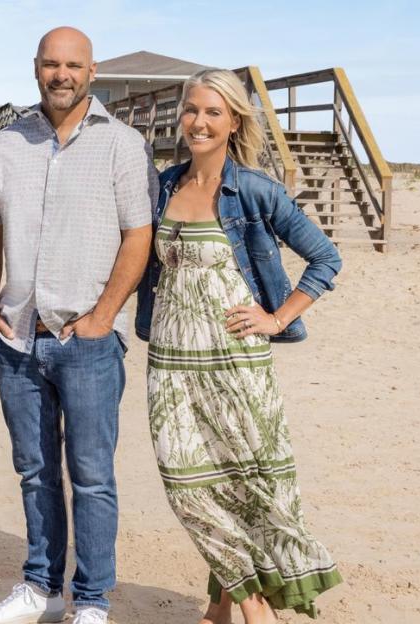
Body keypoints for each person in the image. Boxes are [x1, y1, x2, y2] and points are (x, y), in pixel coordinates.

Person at [135, 68, 344, 623]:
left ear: (233, 122)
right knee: (187, 485)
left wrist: (277, 319)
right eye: (192, 110)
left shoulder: (254, 190)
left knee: (242, 487)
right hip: (171, 365)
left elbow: (326, 260)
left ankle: (227, 610)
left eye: (212, 112)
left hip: (236, 365)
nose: (198, 122)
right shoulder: (162, 186)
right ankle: (246, 607)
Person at [0, 26, 156, 624]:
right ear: (35, 68)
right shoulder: (5, 143)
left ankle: (93, 600)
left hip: (88, 341)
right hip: (19, 335)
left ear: (92, 71)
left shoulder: (123, 144)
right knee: (34, 469)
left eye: (73, 65)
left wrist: (104, 317)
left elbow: (139, 235)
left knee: (92, 475)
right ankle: (41, 588)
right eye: (51, 64)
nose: (61, 75)